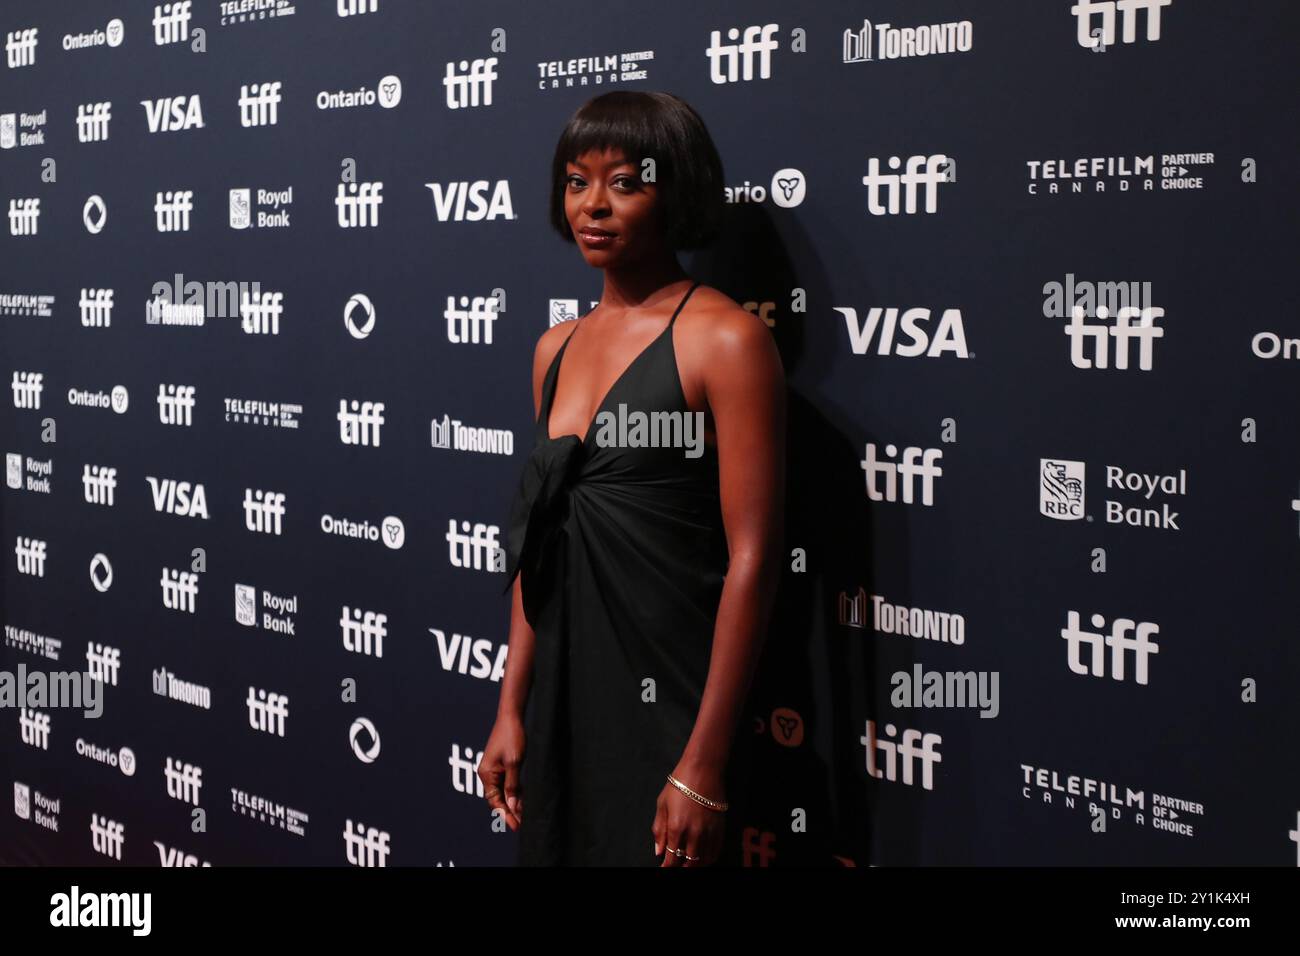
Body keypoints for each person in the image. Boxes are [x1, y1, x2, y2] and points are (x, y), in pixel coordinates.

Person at [479, 91, 785, 866]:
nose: (594, 206)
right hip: (566, 701)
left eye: (625, 181)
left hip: (674, 706)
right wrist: (512, 705)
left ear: (675, 190)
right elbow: (539, 543)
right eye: (577, 181)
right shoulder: (553, 349)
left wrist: (704, 763)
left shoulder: (726, 339)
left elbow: (754, 557)